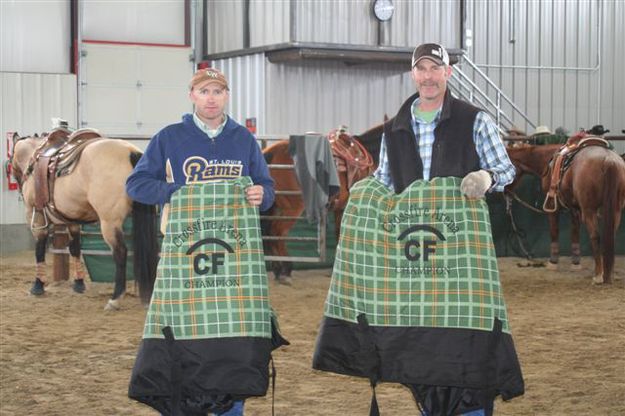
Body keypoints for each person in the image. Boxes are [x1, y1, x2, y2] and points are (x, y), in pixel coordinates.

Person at [313, 43, 524, 416]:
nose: (428, 76)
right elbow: (386, 179)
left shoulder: (475, 120)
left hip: (458, 250)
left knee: (468, 337)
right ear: (413, 74)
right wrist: (367, 191)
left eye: (435, 68)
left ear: (448, 73)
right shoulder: (396, 128)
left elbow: (506, 170)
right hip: (412, 249)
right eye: (421, 69)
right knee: (420, 340)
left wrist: (485, 176)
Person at [126, 68, 276, 416]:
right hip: (184, 255)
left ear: (227, 96)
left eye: (218, 91)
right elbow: (136, 185)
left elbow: (268, 189)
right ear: (191, 95)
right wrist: (176, 193)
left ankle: (231, 406)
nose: (211, 98)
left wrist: (261, 193)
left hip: (234, 256)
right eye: (204, 91)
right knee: (184, 333)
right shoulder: (170, 137)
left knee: (234, 336)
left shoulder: (243, 140)